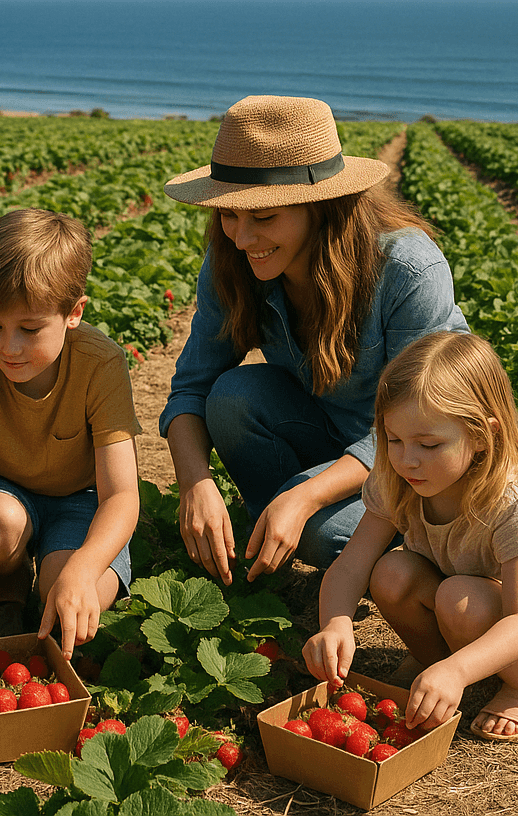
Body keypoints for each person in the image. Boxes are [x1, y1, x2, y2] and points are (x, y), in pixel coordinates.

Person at [160, 94, 469, 584]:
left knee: (323, 535)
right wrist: (195, 483)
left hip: (417, 460)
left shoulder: (407, 270)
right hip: (328, 435)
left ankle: (416, 559)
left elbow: (424, 420)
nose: (242, 238)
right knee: (232, 398)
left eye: (263, 218)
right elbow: (191, 388)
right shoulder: (232, 263)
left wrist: (304, 496)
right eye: (229, 214)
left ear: (321, 207)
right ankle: (270, 542)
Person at [303, 331, 518, 740]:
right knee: (391, 572)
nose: (407, 459)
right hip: (461, 598)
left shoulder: (514, 502)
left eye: (429, 444)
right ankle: (437, 664)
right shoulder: (397, 479)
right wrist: (334, 623)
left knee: (459, 600)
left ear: (481, 435)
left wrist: (458, 670)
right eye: (394, 440)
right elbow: (351, 565)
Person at [0, 208, 140, 660]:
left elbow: (122, 496)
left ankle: (49, 577)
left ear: (73, 313)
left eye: (30, 329)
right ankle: (8, 580)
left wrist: (82, 568)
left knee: (76, 595)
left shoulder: (101, 364)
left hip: (83, 499)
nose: (9, 346)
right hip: (4, 494)